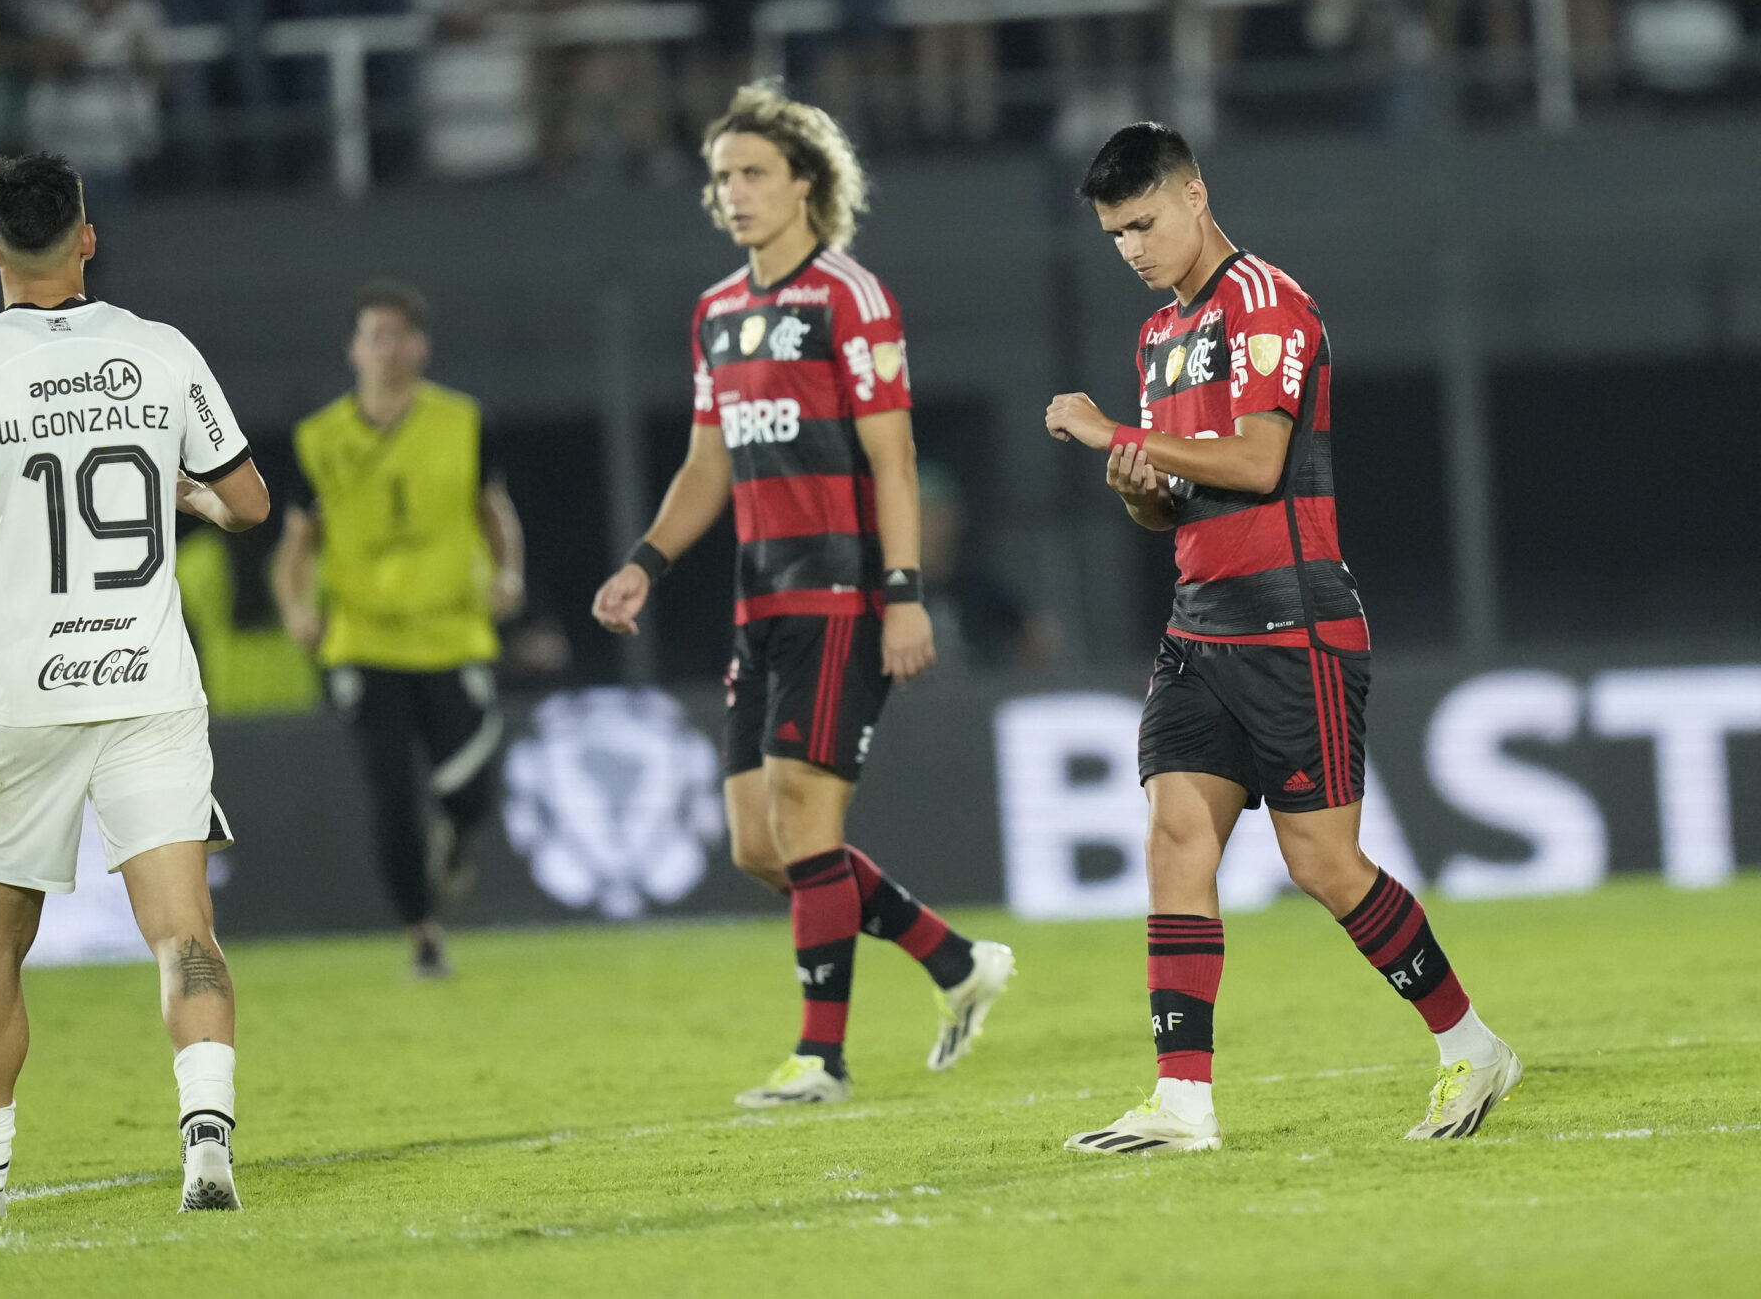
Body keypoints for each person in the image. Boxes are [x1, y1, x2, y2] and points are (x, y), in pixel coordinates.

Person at [1044, 122, 1519, 1153]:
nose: (1129, 248)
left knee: (1323, 866)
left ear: (1193, 196)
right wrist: (1137, 489)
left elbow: (1258, 464)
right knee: (1174, 841)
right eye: (1113, 233)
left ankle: (1470, 1045)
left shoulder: (1265, 302)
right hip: (1196, 624)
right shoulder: (1157, 335)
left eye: (1142, 222)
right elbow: (1177, 495)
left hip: (1292, 623)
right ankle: (1181, 1101)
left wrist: (1112, 434)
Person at [591, 83, 1014, 1109]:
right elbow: (706, 467)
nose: (731, 194)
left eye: (751, 175)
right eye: (721, 178)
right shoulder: (717, 315)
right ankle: (954, 961)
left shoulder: (848, 298)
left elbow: (893, 458)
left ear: (805, 186)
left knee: (805, 825)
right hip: (758, 600)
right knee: (757, 846)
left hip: (841, 591)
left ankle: (818, 1058)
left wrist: (903, 594)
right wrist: (646, 559)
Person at [0, 151, 270, 1216]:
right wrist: (184, 493)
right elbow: (250, 502)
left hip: (26, 697)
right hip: (148, 682)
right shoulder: (159, 351)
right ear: (87, 238)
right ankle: (206, 1134)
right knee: (185, 933)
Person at [272, 280, 525, 979]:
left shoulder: (464, 422)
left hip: (453, 631)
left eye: (401, 336)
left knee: (470, 781)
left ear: (423, 346)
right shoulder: (318, 439)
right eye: (375, 336)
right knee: (388, 791)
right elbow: (296, 543)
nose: (388, 349)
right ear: (354, 348)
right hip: (364, 639)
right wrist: (297, 606)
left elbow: (495, 512)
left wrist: (508, 575)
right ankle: (422, 932)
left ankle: (461, 833)